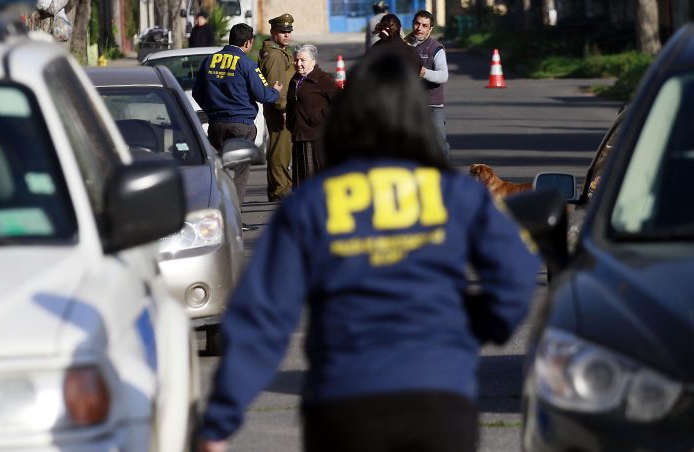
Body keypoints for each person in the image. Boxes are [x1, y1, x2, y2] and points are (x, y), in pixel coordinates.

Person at [198, 46, 539, 452]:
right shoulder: (456, 196)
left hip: (343, 404)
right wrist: (476, 326)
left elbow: (262, 318)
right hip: (439, 400)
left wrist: (219, 421)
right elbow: (517, 275)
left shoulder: (312, 205)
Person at [193, 23, 283, 205]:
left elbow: (197, 93)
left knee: (221, 170)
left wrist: (212, 111)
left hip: (216, 126)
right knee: (240, 172)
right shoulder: (246, 64)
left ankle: (220, 210)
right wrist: (276, 91)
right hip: (241, 126)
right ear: (248, 43)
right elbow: (263, 95)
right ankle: (235, 214)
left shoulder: (210, 60)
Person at [285, 43, 338, 187]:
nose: (298, 64)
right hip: (299, 136)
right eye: (296, 60)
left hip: (316, 137)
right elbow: (291, 104)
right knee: (303, 184)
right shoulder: (295, 80)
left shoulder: (323, 79)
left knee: (317, 183)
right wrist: (290, 122)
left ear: (313, 61)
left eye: (303, 60)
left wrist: (319, 118)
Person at [259, 13, 296, 201]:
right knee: (279, 151)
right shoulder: (274, 55)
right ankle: (279, 189)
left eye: (289, 31)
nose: (287, 35)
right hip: (279, 109)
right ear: (273, 32)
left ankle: (281, 186)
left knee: (283, 150)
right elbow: (276, 85)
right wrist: (282, 109)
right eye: (283, 32)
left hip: (283, 107)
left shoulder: (280, 51)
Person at [407, 9, 450, 161]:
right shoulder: (405, 44)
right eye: (417, 24)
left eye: (424, 25)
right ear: (412, 24)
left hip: (432, 105)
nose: (420, 28)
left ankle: (445, 178)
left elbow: (443, 75)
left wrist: (425, 73)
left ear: (430, 29)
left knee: (439, 145)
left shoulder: (436, 48)